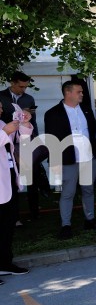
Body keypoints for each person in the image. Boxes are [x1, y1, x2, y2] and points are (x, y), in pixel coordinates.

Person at [44, 79, 96, 239]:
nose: (82, 94)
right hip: (67, 159)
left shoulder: (86, 110)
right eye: (79, 91)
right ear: (68, 93)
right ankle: (66, 225)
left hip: (88, 158)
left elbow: (92, 132)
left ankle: (90, 219)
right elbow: (52, 140)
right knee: (68, 193)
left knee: (88, 189)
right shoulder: (53, 113)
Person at [0, 71, 47, 220]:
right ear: (12, 83)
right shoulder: (1, 97)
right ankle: (15, 215)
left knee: (30, 176)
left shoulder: (29, 98)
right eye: (21, 86)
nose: (23, 90)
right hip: (6, 143)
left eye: (26, 87)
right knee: (10, 177)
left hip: (24, 140)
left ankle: (34, 212)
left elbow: (32, 122)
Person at [0, 110, 32, 280]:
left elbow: (22, 140)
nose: (0, 110)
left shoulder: (1, 124)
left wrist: (24, 124)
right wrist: (5, 132)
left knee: (7, 226)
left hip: (9, 181)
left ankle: (5, 263)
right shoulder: (3, 128)